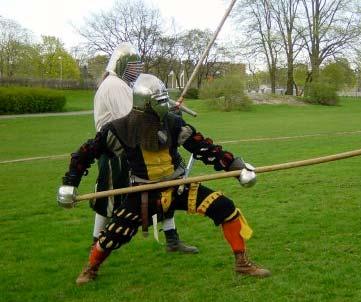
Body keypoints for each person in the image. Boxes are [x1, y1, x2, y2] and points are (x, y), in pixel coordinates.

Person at [57, 73, 271, 285]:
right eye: (159, 99)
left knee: (226, 208)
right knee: (112, 236)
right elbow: (84, 154)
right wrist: (69, 184)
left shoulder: (172, 123)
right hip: (143, 193)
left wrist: (236, 166)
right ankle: (91, 268)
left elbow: (204, 148)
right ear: (147, 103)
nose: (163, 104)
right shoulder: (119, 129)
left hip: (178, 186)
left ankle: (242, 263)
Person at [90, 42, 197, 254]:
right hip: (118, 150)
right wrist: (167, 116)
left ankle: (172, 239)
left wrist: (165, 109)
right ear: (120, 65)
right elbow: (132, 122)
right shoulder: (114, 86)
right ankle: (96, 244)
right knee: (109, 198)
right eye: (133, 65)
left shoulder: (121, 85)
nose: (137, 70)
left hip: (132, 148)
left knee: (165, 188)